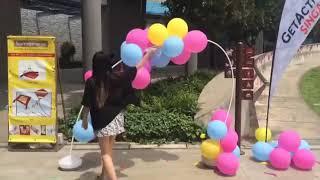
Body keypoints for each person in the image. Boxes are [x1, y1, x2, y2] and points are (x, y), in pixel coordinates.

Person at [81, 50, 155, 180]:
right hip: (116, 118)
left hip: (102, 121)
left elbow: (87, 104)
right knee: (109, 151)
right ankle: (104, 176)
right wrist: (148, 54)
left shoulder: (91, 82)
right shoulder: (117, 77)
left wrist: (84, 121)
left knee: (105, 154)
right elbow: (137, 67)